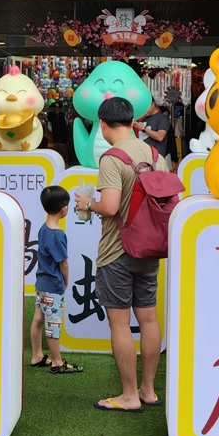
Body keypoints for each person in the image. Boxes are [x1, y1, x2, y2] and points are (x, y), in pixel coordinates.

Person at [74, 96, 162, 413]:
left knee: (120, 324)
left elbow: (110, 207)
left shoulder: (112, 158)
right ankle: (148, 390)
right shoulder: (154, 154)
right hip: (150, 248)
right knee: (148, 318)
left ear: (102, 124)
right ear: (131, 121)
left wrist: (87, 204)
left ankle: (128, 396)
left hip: (117, 251)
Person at [30, 186, 82, 374]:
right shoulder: (58, 235)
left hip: (41, 283)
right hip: (53, 285)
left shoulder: (43, 229)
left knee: (38, 319)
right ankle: (57, 361)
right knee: (53, 325)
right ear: (63, 209)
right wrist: (66, 281)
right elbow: (63, 263)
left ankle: (36, 355)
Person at [134, 97, 174, 171]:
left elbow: (160, 137)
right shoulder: (143, 119)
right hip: (142, 160)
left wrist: (144, 128)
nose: (144, 109)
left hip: (156, 161)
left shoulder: (162, 118)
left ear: (153, 104)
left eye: (146, 107)